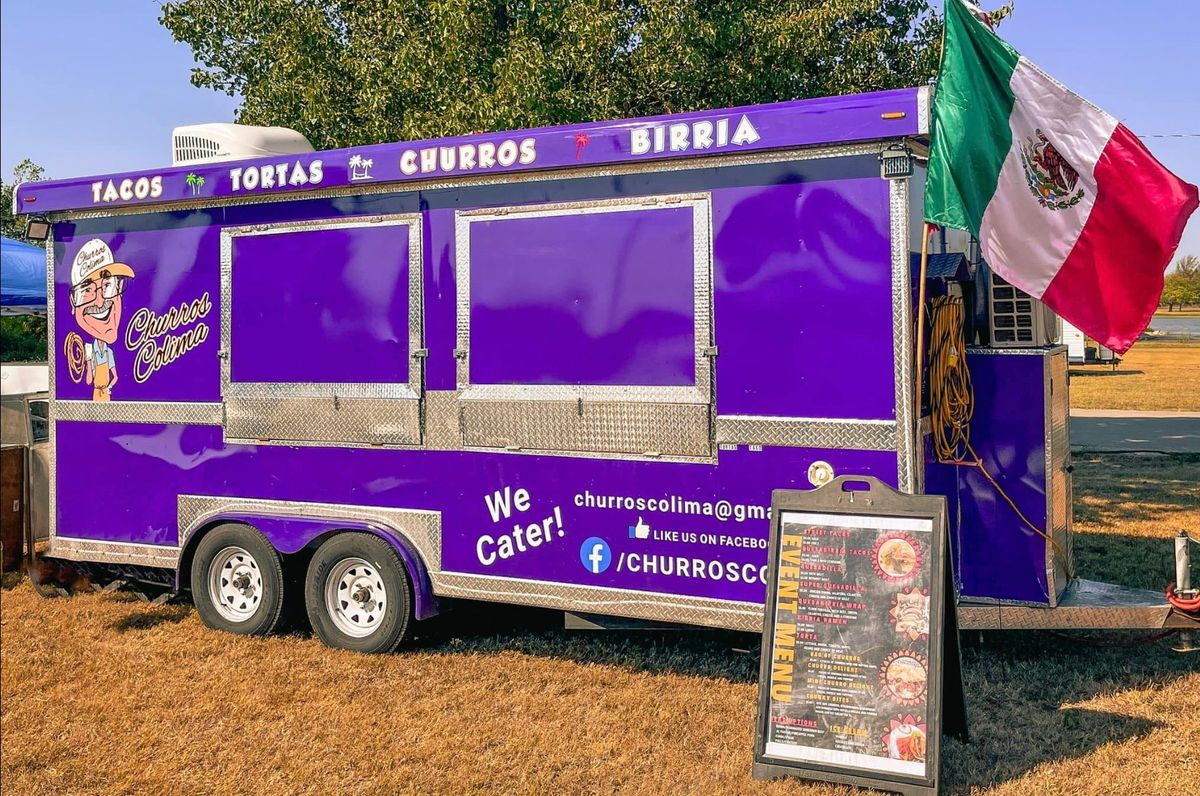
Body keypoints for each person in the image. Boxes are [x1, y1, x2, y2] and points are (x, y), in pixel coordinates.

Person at [67, 239, 135, 401]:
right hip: (96, 396)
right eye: (87, 290)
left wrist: (109, 388)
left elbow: (115, 377)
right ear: (73, 303)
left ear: (118, 289)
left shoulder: (109, 353)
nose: (99, 301)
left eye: (107, 285)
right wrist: (88, 361)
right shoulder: (90, 352)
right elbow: (89, 380)